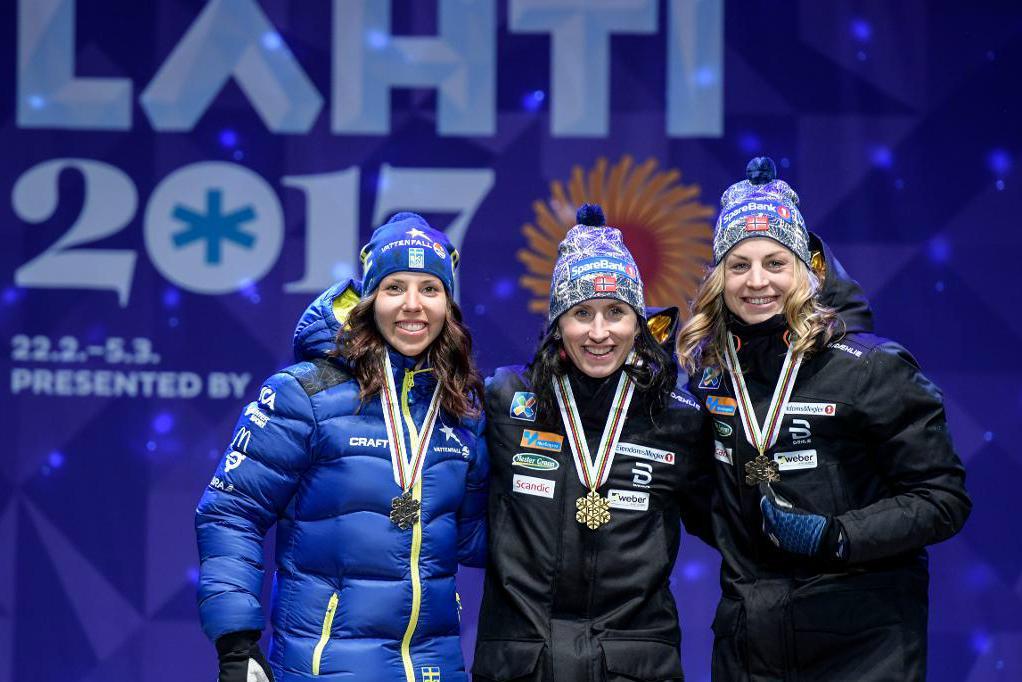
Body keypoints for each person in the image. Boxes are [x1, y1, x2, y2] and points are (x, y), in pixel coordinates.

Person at [677, 158, 972, 681]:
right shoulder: (712, 380)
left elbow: (943, 500)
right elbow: (707, 504)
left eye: (775, 262)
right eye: (739, 265)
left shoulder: (874, 367)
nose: (757, 281)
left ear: (806, 269)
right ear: (719, 278)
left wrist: (835, 535)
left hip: (864, 643)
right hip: (751, 642)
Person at [196, 212, 489, 682]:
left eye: (430, 289)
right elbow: (231, 512)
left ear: (448, 305)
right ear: (369, 300)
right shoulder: (304, 395)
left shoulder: (459, 414)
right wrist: (237, 642)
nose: (412, 305)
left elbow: (479, 537)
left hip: (436, 669)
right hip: (326, 669)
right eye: (395, 288)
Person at [472, 205, 714, 682]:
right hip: (523, 664)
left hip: (634, 667)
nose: (599, 333)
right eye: (582, 313)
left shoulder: (677, 418)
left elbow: (732, 527)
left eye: (616, 313)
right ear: (559, 322)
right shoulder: (504, 399)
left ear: (639, 322)